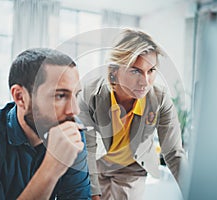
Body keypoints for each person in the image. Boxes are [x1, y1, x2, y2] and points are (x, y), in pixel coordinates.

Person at [0, 48, 91, 199]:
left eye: (76, 95)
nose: (74, 110)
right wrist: (52, 167)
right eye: (60, 95)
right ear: (20, 97)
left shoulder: (71, 130)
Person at [78, 28, 187, 200]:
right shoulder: (90, 94)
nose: (145, 82)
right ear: (114, 71)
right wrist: (94, 194)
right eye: (135, 71)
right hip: (97, 163)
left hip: (132, 168)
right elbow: (87, 150)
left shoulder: (160, 98)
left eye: (151, 71)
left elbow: (174, 153)